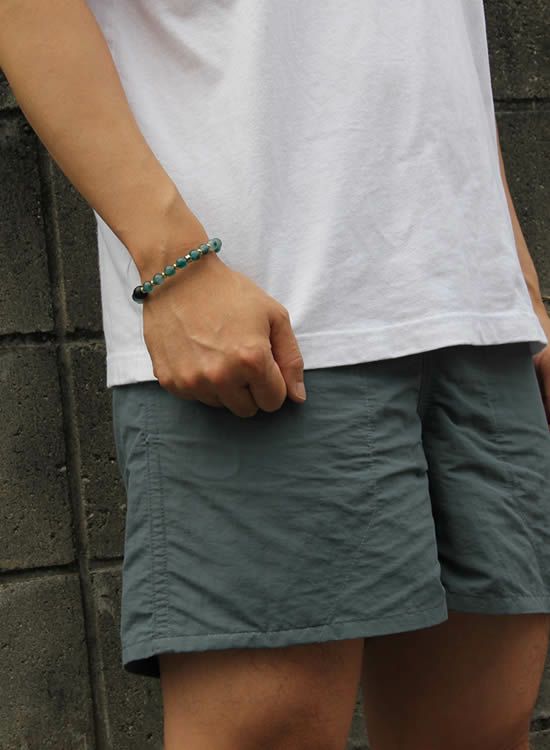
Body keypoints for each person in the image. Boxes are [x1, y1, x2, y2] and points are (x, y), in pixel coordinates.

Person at [2, 1, 550, 748]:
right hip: (267, 326)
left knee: (483, 729)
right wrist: (173, 264)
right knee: (267, 732)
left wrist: (521, 291)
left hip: (479, 313)